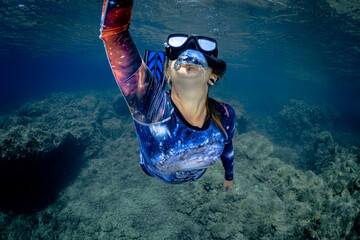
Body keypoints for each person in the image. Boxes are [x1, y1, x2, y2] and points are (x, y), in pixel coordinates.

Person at [99, 0, 236, 194]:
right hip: (151, 170)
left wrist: (229, 177)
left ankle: (153, 72)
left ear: (212, 77)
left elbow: (227, 146)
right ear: (169, 74)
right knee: (146, 88)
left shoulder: (225, 114)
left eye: (199, 57)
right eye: (179, 56)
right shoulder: (153, 109)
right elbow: (114, 35)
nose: (189, 56)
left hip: (196, 174)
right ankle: (153, 75)